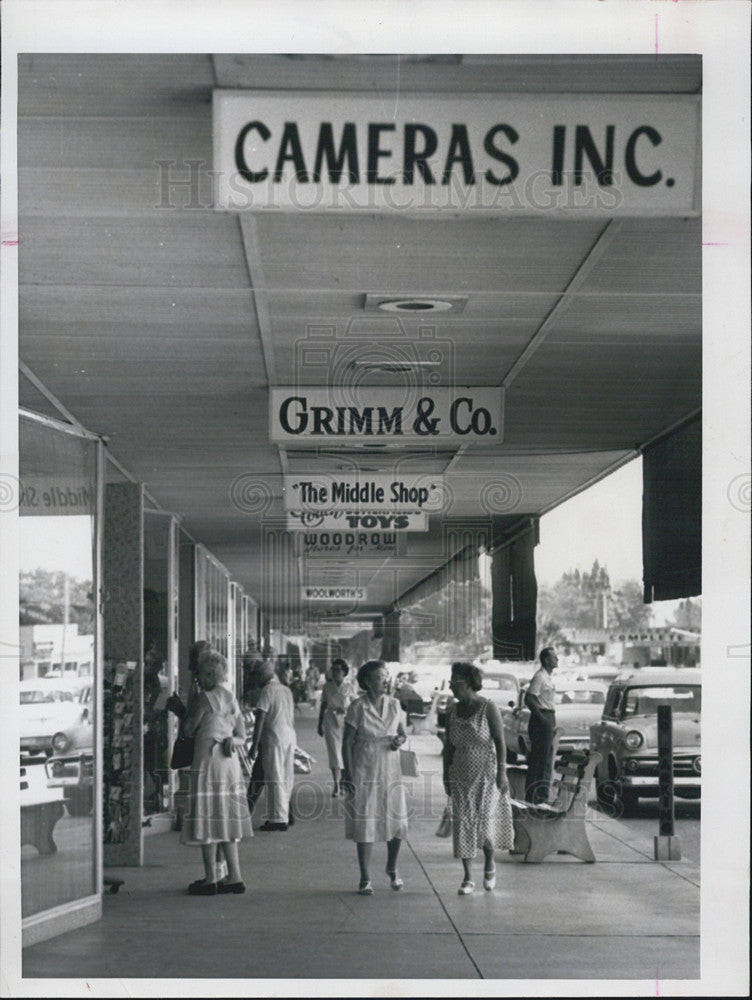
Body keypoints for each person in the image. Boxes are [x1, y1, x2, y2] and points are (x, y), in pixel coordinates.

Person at [179, 649, 252, 895]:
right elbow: (242, 735)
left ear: (211, 674)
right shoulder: (231, 698)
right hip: (228, 763)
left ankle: (211, 878)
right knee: (226, 817)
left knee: (207, 816)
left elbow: (189, 729)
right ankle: (235, 876)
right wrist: (233, 740)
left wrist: (183, 708)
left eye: (200, 674)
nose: (198, 679)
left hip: (207, 761)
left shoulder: (204, 698)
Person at [442, 662, 513, 894]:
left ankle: (490, 863)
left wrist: (502, 771)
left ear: (469, 683)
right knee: (463, 823)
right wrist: (445, 774)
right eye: (451, 681)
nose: (451, 686)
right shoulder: (451, 710)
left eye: (456, 682)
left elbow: (501, 742)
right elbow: (449, 747)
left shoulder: (488, 707)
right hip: (460, 774)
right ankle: (468, 877)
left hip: (486, 773)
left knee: (485, 822)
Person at [342, 659, 408, 895]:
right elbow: (347, 741)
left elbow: (402, 733)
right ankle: (365, 876)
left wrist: (399, 740)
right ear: (368, 682)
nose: (386, 680)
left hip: (390, 766)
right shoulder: (357, 707)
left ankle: (392, 867)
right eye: (381, 677)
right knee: (366, 819)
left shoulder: (395, 705)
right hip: (365, 766)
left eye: (386, 676)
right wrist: (347, 773)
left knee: (396, 819)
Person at [247, 657, 296, 831]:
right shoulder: (285, 690)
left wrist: (254, 744)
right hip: (289, 737)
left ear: (263, 676)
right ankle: (285, 815)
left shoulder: (268, 690)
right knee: (286, 777)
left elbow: (260, 718)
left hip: (274, 738)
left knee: (274, 778)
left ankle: (278, 819)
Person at [524, 646, 559, 804]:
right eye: (554, 657)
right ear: (546, 659)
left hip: (548, 716)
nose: (556, 659)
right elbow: (529, 698)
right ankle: (535, 797)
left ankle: (541, 795)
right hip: (542, 718)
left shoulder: (548, 677)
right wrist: (542, 718)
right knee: (540, 760)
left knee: (546, 759)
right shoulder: (540, 677)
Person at [317, 658, 354, 796]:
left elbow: (356, 705)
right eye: (334, 670)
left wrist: (346, 710)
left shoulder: (349, 687)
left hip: (346, 722)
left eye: (338, 670)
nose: (335, 672)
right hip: (330, 721)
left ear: (344, 672)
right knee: (334, 754)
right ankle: (336, 785)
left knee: (345, 752)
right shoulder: (327, 687)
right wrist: (319, 724)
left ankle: (345, 783)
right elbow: (323, 705)